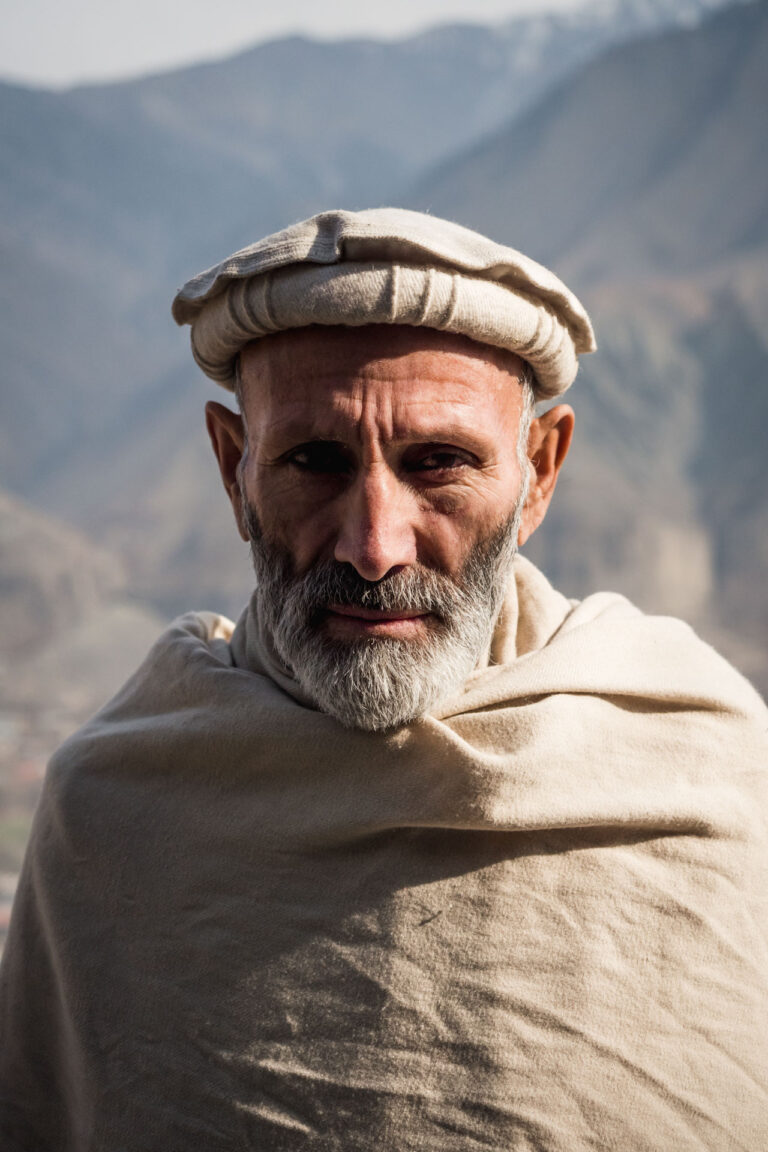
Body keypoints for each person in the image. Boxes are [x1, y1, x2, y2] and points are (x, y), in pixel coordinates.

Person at [1, 208, 766, 1151]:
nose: (373, 548)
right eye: (313, 462)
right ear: (235, 466)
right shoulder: (113, 811)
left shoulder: (700, 769)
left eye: (438, 464)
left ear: (539, 472)